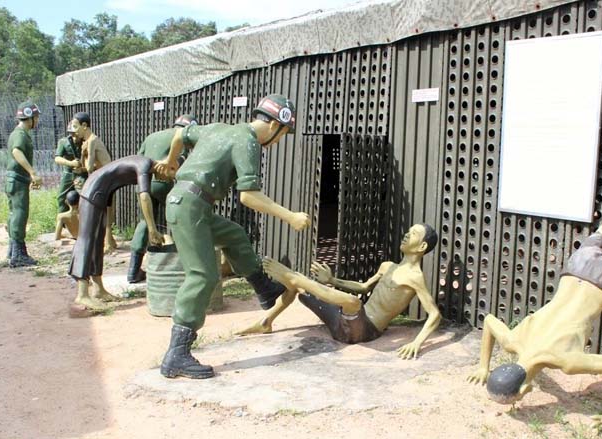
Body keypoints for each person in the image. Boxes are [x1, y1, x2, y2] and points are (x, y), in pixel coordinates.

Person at [467, 93, 602, 431]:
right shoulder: (513, 341)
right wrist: (484, 365)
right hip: (576, 268)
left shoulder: (567, 362)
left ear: (525, 389)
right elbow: (489, 322)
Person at [154, 94, 311, 379]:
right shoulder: (248, 141)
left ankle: (264, 289)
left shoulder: (218, 128)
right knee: (202, 275)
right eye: (282, 134)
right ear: (274, 125)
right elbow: (249, 196)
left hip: (192, 204)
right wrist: (290, 216)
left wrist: (170, 160)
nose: (278, 141)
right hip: (190, 206)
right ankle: (177, 354)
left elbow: (180, 134)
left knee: (234, 235)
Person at [238, 224, 442, 360]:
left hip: (364, 332)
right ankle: (266, 322)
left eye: (413, 234)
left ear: (422, 246)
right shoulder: (387, 266)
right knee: (302, 289)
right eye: (408, 231)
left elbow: (435, 314)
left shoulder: (415, 277)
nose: (406, 235)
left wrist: (417, 343)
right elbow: (363, 287)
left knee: (354, 302)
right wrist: (332, 280)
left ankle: (297, 277)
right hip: (342, 324)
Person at [69, 155, 165, 313]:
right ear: (166, 165)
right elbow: (144, 197)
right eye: (172, 172)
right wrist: (152, 229)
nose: (170, 178)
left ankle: (98, 289)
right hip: (92, 191)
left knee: (97, 241)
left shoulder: (147, 168)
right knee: (86, 239)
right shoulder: (145, 165)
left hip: (103, 194)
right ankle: (82, 294)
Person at [127, 114, 198, 283]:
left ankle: (133, 271)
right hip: (164, 183)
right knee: (179, 219)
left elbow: (138, 159)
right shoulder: (180, 136)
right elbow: (179, 162)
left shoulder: (152, 136)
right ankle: (183, 265)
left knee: (145, 222)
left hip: (144, 183)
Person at [71, 112, 118, 251]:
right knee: (105, 209)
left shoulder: (92, 141)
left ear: (84, 126)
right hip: (102, 177)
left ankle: (108, 241)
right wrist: (83, 154)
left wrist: (84, 154)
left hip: (107, 178)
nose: (74, 131)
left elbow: (89, 167)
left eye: (76, 127)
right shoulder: (87, 142)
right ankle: (110, 240)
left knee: (106, 209)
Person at [5, 101, 42, 268]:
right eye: (36, 117)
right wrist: (32, 172)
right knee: (19, 214)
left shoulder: (18, 133)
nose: (37, 120)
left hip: (15, 179)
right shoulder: (20, 134)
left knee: (14, 213)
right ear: (29, 117)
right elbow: (16, 151)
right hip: (17, 179)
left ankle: (13, 251)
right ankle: (18, 255)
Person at [54, 122, 86, 213]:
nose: (74, 137)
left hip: (82, 174)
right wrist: (71, 163)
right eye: (72, 134)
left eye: (76, 134)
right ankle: (63, 218)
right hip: (68, 173)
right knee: (61, 197)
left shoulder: (86, 142)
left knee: (83, 196)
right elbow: (57, 158)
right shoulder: (64, 142)